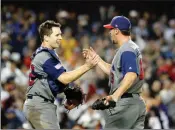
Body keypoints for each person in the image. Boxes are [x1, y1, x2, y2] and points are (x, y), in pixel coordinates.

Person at [23, 20, 99, 129]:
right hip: (39, 105)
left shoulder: (47, 55)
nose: (60, 38)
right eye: (57, 35)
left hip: (41, 103)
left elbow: (57, 83)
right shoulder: (45, 57)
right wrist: (87, 66)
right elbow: (64, 78)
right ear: (46, 37)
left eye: (60, 34)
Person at [83, 16, 146, 129]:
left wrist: (115, 96)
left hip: (125, 103)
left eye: (111, 29)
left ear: (116, 30)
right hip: (135, 102)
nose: (110, 33)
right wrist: (97, 59)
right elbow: (114, 72)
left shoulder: (127, 50)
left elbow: (131, 75)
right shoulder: (130, 47)